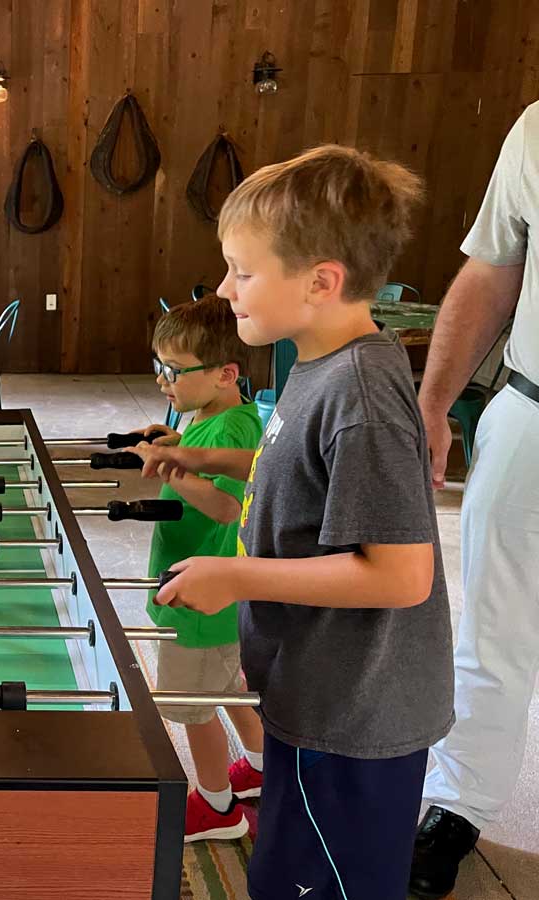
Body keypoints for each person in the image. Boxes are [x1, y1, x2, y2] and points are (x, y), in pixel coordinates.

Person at [138, 145, 453, 899]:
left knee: (320, 882)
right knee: (282, 870)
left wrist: (237, 574)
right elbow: (306, 482)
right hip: (310, 691)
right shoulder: (314, 367)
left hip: (353, 719)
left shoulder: (362, 397)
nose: (224, 288)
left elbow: (402, 573)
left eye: (242, 271)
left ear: (320, 282)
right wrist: (207, 463)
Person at [409, 101, 538, 898]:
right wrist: (432, 401)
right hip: (533, 408)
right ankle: (455, 808)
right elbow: (494, 268)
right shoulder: (536, 127)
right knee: (491, 632)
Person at [139, 295, 265, 842]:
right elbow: (201, 465)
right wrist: (177, 446)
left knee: (192, 708)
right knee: (227, 686)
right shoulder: (212, 417)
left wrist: (172, 466)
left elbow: (227, 507)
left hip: (201, 595)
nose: (164, 381)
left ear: (224, 374)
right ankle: (262, 769)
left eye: (173, 371)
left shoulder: (235, 431)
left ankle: (217, 807)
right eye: (158, 367)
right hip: (204, 591)